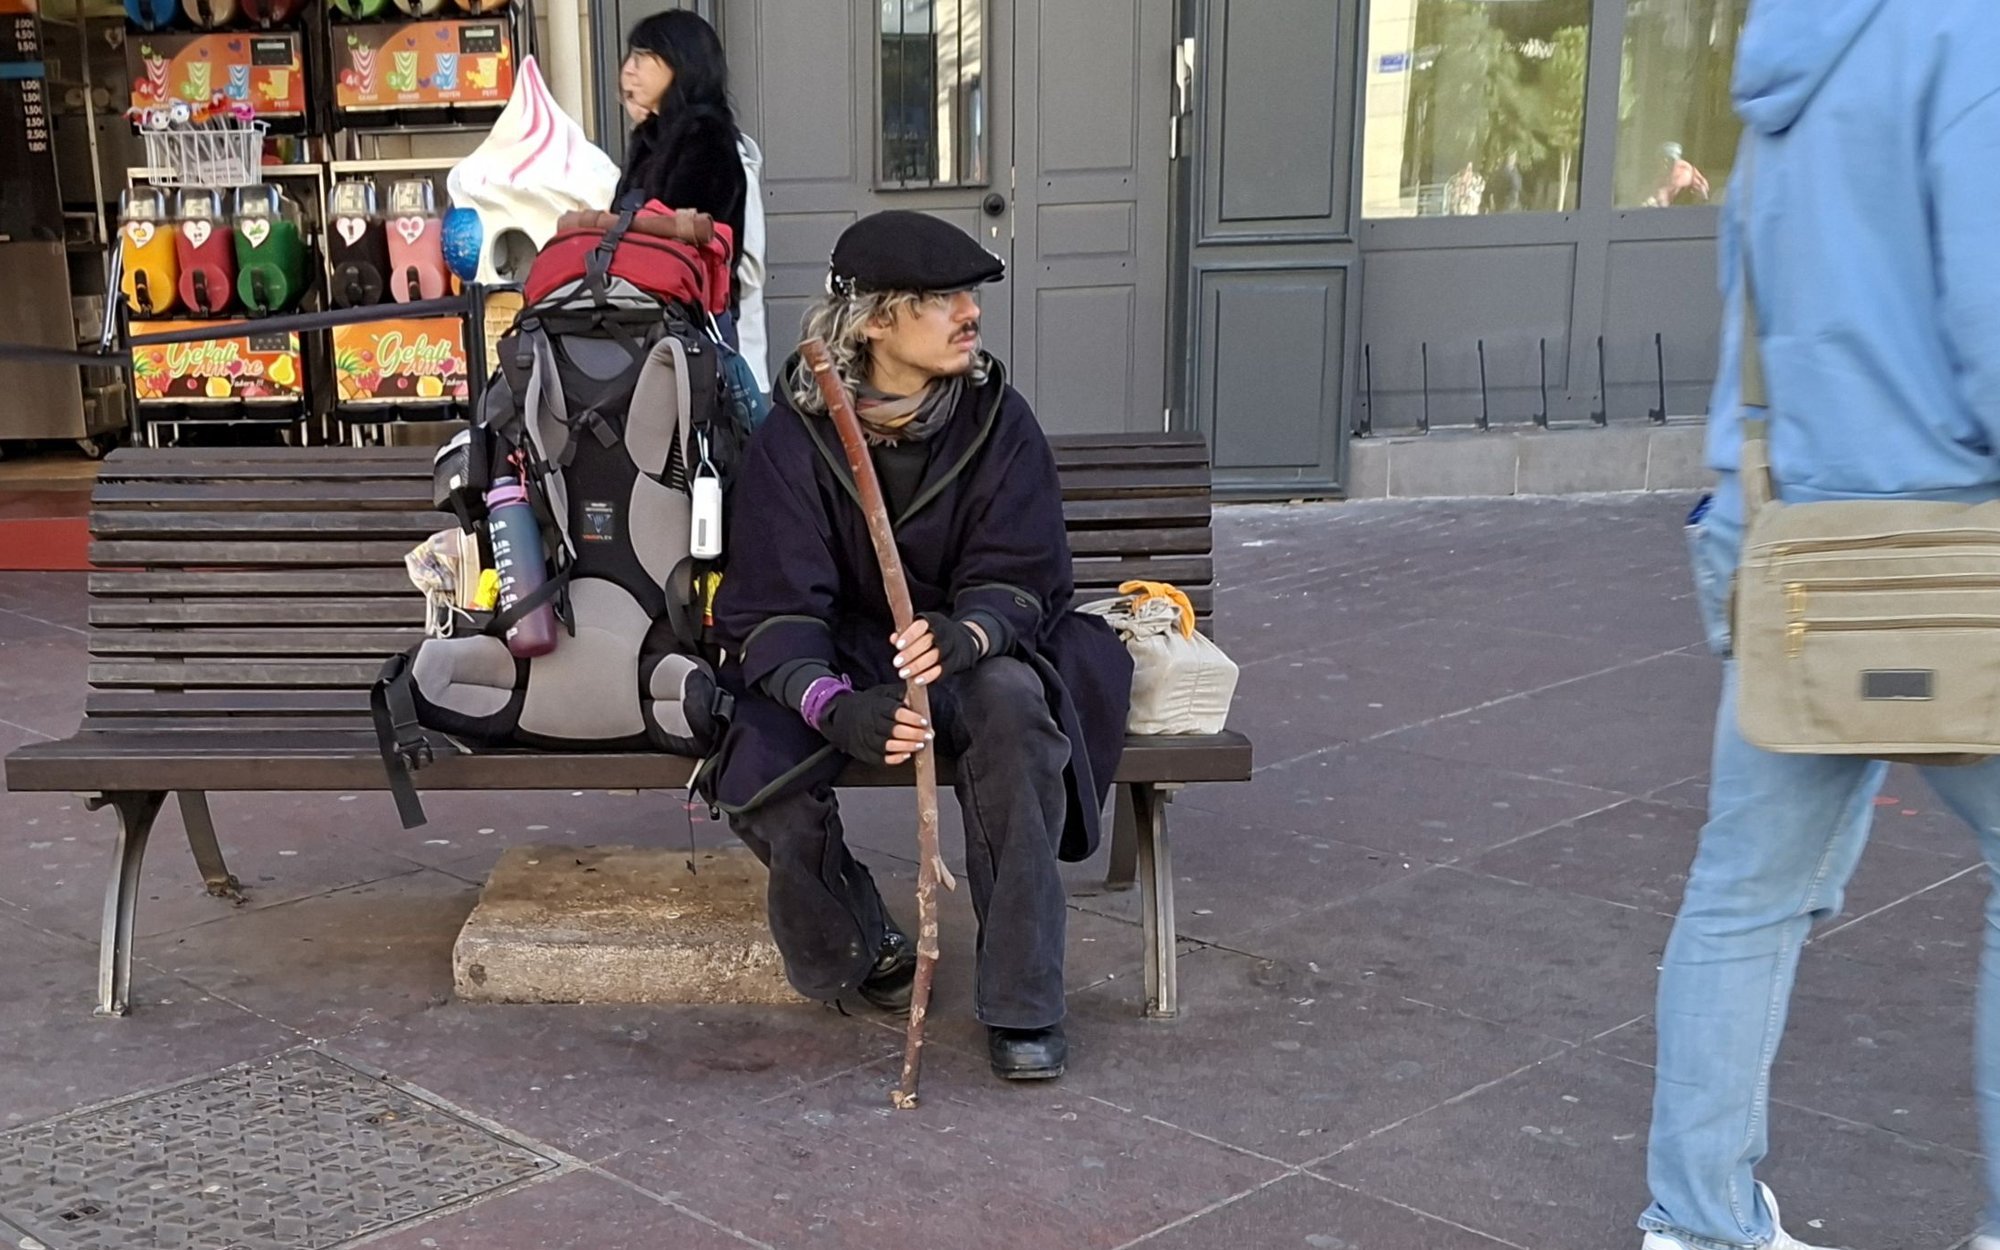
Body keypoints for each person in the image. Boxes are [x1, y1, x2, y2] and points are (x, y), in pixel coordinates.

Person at [1643, 3, 2000, 1249]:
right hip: (1954, 552)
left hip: (1796, 548)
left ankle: (1691, 1224)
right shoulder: (1968, 42)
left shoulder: (1779, 78)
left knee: (1740, 897)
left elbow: (1750, 336)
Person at [706, 210, 1134, 1082]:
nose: (966, 312)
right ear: (871, 320)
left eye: (967, 293)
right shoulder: (795, 439)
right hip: (851, 660)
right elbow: (775, 603)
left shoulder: (996, 421)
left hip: (971, 651)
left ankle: (1024, 1001)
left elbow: (1024, 569)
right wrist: (831, 705)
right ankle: (864, 943)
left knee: (1018, 717)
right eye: (938, 297)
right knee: (760, 761)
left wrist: (971, 631)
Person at [615, 11, 748, 337]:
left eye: (644, 57)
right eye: (631, 55)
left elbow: (678, 236)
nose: (629, 69)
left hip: (688, 323)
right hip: (646, 313)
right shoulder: (651, 138)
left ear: (682, 64)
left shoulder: (706, 138)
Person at [1647, 141, 1712, 207]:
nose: (1665, 163)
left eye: (1670, 159)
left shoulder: (1685, 171)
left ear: (1677, 160)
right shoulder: (1661, 176)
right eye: (1662, 159)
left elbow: (1663, 196)